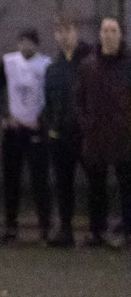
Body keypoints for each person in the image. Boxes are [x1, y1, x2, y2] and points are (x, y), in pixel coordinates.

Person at [73, 17, 131, 249]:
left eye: (113, 30)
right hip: (95, 137)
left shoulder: (129, 64)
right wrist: (87, 124)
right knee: (96, 187)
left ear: (120, 34)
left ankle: (128, 232)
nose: (108, 34)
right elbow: (78, 100)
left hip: (125, 137)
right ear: (99, 34)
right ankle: (97, 232)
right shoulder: (88, 65)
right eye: (105, 30)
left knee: (127, 186)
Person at [0, 29, 53, 244]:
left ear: (37, 45)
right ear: (17, 43)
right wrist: (5, 114)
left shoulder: (46, 64)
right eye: (23, 42)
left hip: (35, 129)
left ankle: (44, 228)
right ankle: (10, 227)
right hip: (14, 129)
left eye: (30, 43)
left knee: (40, 180)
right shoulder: (8, 62)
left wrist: (43, 119)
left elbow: (52, 96)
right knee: (11, 180)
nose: (26, 46)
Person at [41, 15, 91, 247]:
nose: (63, 35)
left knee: (94, 182)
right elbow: (49, 102)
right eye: (59, 31)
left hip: (86, 135)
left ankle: (96, 231)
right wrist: (50, 126)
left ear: (76, 32)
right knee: (63, 184)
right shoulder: (52, 68)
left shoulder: (89, 62)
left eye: (68, 30)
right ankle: (66, 231)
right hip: (60, 136)